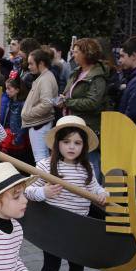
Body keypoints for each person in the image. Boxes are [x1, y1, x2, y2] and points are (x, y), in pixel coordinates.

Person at [25, 116, 106, 271]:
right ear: (57, 143)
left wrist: (104, 194)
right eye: (66, 142)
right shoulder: (45, 166)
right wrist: (44, 192)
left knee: (77, 263)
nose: (72, 147)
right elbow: (27, 191)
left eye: (77, 143)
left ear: (84, 146)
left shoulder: (87, 168)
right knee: (51, 265)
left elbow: (96, 189)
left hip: (78, 225)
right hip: (54, 226)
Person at [55, 38, 109, 178]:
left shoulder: (97, 76)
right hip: (73, 123)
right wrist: (63, 98)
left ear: (87, 54)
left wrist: (68, 102)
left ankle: (95, 196)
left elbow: (93, 102)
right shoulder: (76, 72)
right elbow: (70, 93)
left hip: (89, 126)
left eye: (77, 52)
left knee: (91, 160)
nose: (73, 55)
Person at [21, 48, 59, 162]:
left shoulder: (45, 79)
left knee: (41, 159)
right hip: (40, 123)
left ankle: (43, 180)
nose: (29, 66)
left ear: (41, 63)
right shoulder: (45, 77)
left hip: (40, 124)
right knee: (42, 158)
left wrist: (27, 114)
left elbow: (46, 104)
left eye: (31, 63)